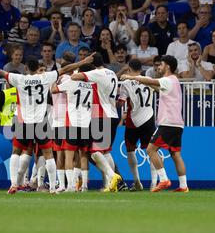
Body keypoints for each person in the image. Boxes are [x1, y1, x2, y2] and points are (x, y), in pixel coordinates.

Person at [0, 53, 95, 194]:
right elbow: (65, 69)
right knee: (48, 154)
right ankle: (52, 187)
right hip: (41, 122)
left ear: (26, 68)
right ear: (37, 68)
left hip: (24, 122)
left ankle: (14, 184)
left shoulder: (19, 78)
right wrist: (82, 61)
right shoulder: (45, 77)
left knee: (16, 152)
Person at [121, 55, 189, 193]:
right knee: (176, 155)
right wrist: (144, 82)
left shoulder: (167, 80)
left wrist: (131, 77)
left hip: (168, 123)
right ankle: (183, 186)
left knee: (151, 150)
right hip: (178, 124)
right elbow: (155, 86)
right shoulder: (174, 81)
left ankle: (163, 179)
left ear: (168, 66)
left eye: (161, 64)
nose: (159, 67)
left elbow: (152, 81)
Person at [71, 53, 122, 193]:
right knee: (105, 151)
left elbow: (74, 77)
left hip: (101, 115)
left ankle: (113, 176)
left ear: (92, 63)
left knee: (94, 152)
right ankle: (109, 185)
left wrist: (81, 65)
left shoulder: (96, 73)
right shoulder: (111, 72)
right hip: (113, 114)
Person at [51, 62, 94, 193]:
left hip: (72, 122)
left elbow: (54, 90)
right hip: (86, 123)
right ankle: (84, 186)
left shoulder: (70, 82)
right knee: (83, 154)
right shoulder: (92, 86)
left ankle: (69, 185)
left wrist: (53, 80)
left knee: (68, 155)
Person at [118, 59, 157, 191]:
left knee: (130, 150)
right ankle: (154, 183)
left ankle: (137, 182)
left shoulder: (126, 83)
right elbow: (159, 90)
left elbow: (121, 102)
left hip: (133, 122)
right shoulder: (149, 80)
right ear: (141, 68)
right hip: (149, 119)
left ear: (129, 68)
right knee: (152, 151)